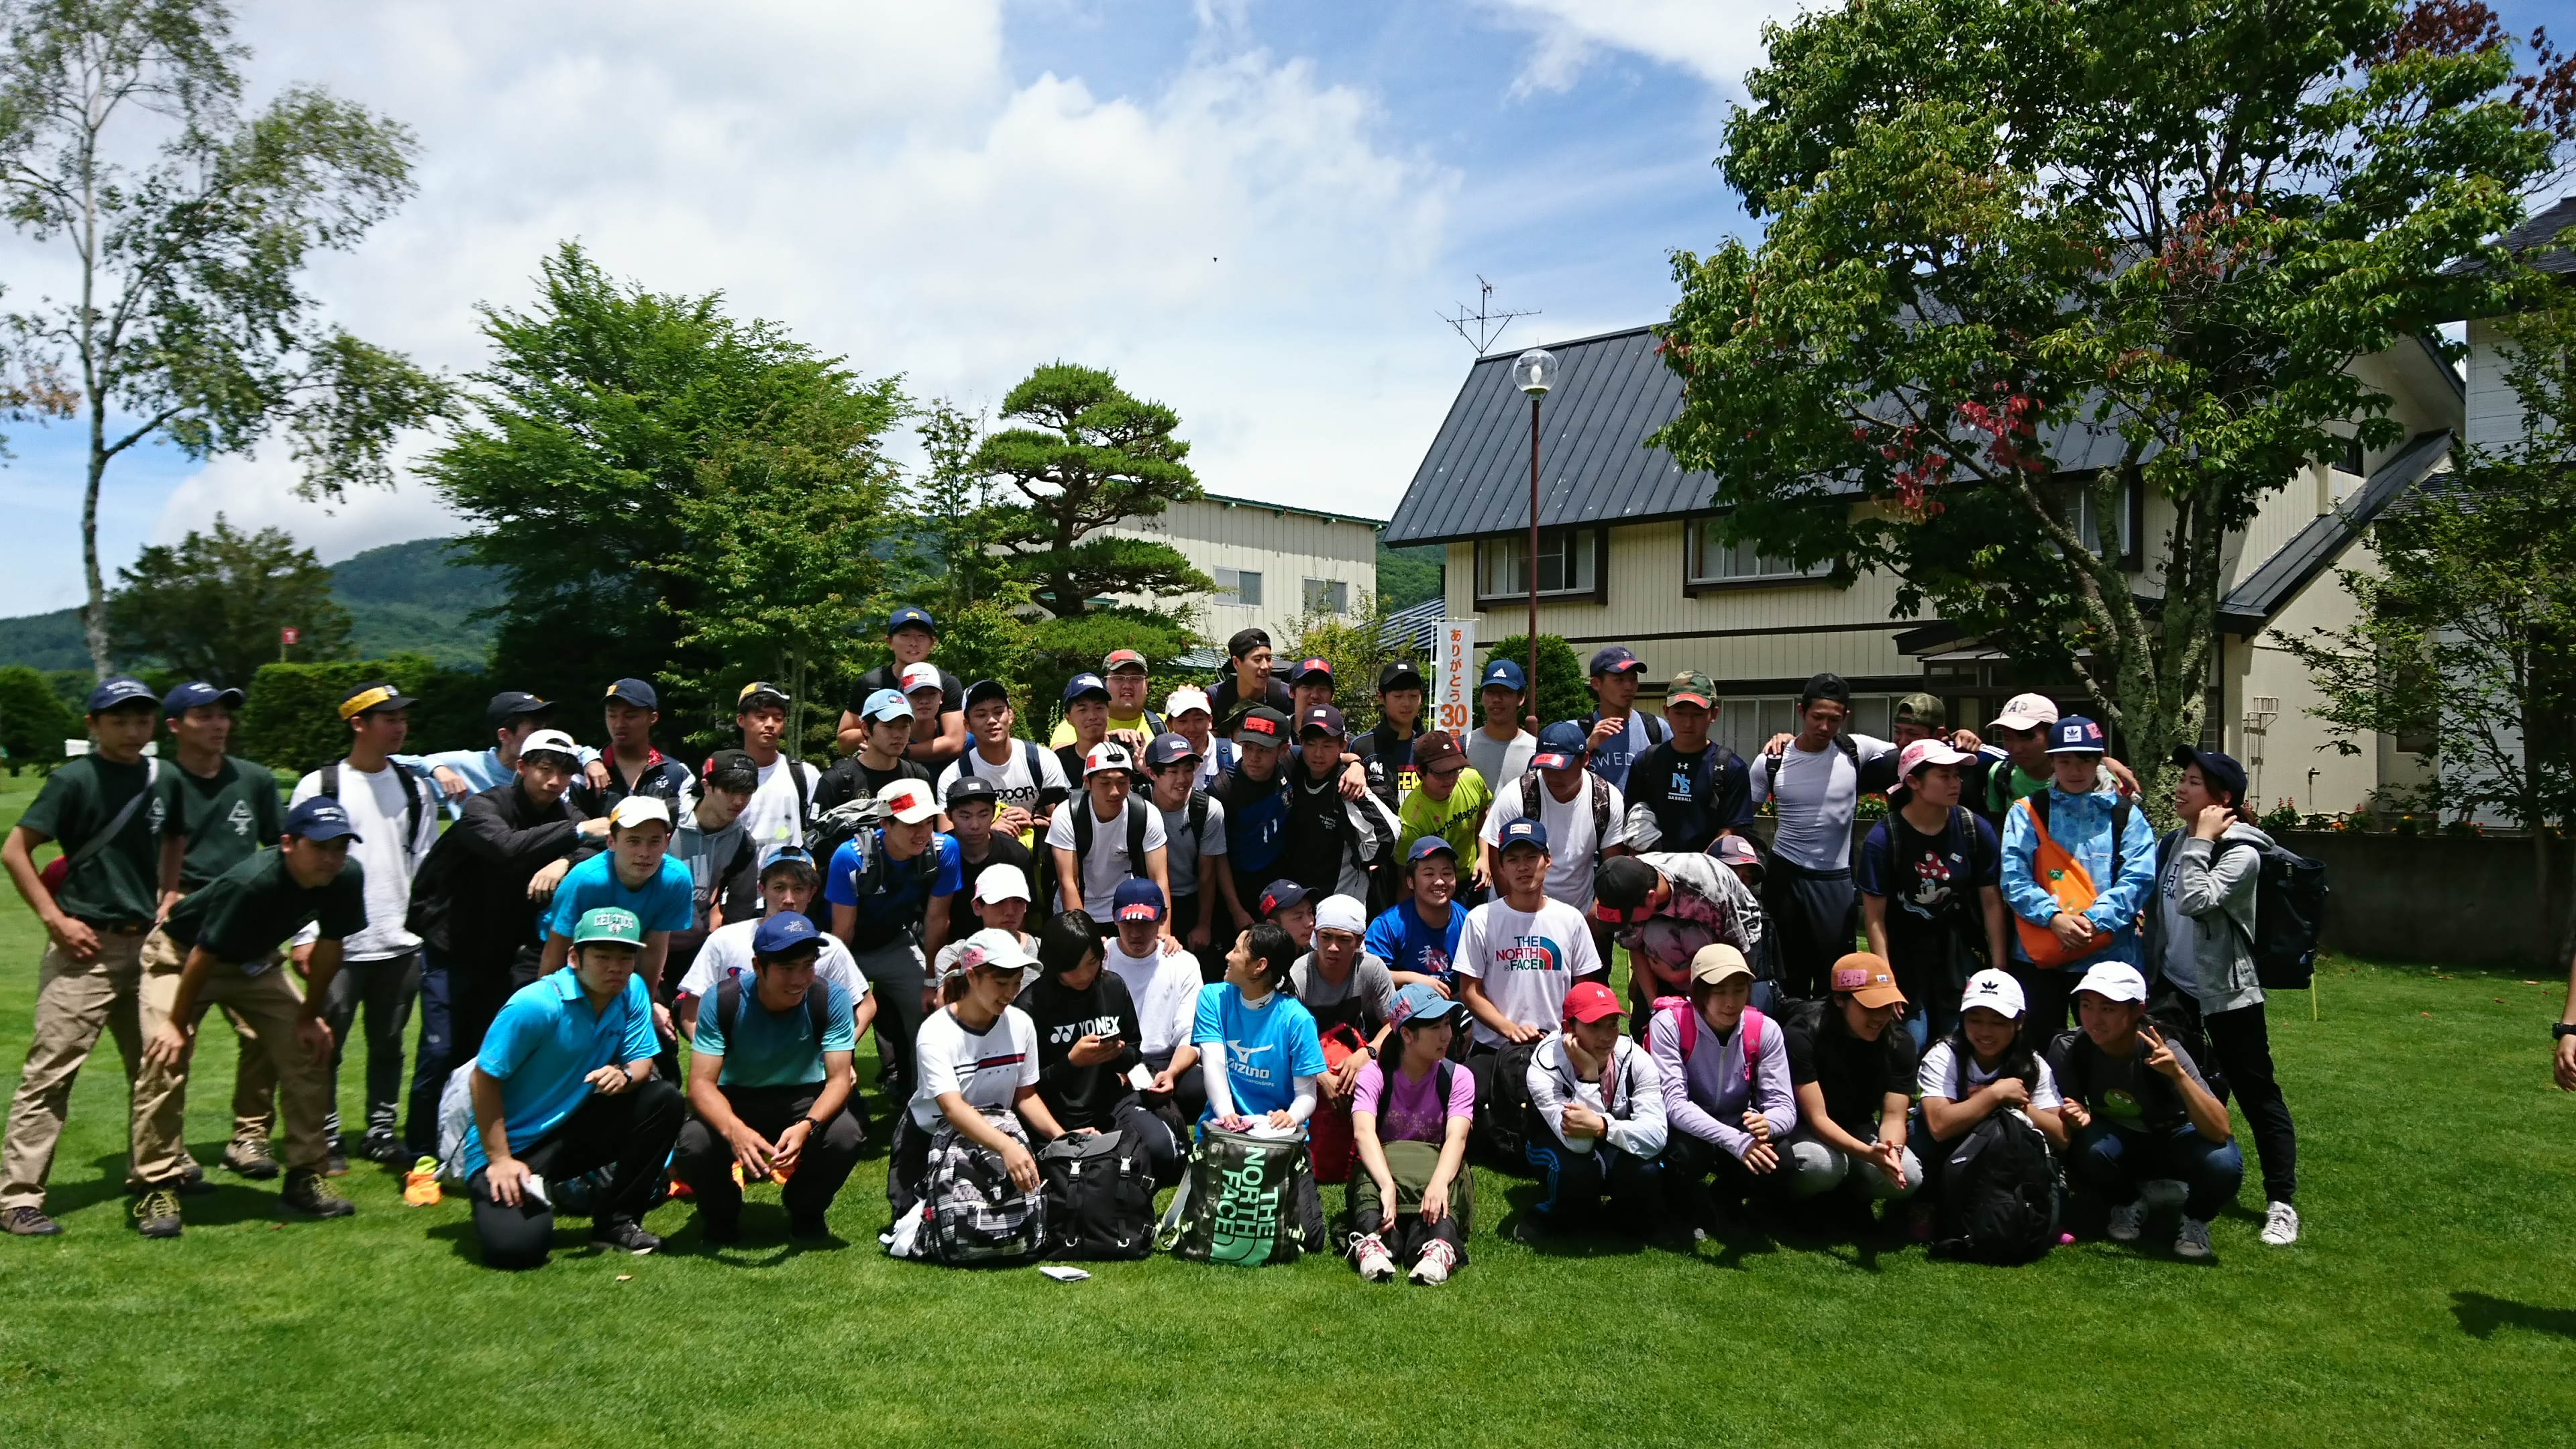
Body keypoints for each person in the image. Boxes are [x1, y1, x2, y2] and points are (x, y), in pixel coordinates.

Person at [127, 797, 369, 1234]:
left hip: (254, 962)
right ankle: (156, 1184)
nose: (331, 858)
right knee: (165, 1058)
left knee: (308, 1050)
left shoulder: (345, 877)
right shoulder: (253, 882)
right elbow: (203, 955)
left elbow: (331, 947)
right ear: (288, 844)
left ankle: (305, 1174)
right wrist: (176, 1025)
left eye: (340, 847)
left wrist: (308, 1018)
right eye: (319, 847)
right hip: (181, 957)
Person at [0, 677, 166, 1236]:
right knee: (51, 1074)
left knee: (156, 1069)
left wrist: (169, 899)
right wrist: (55, 919)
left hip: (148, 944)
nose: (132, 731)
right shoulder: (73, 780)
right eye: (119, 720)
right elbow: (15, 851)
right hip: (85, 947)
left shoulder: (161, 779)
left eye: (141, 720)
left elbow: (176, 843)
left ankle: (156, 1178)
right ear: (92, 725)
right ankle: (18, 1198)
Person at [402, 729, 606, 1158]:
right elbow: (506, 847)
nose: (554, 781)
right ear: (522, 767)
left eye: (563, 773)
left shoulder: (564, 811)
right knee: (440, 1051)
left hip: (502, 953)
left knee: (485, 1055)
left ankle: (463, 1148)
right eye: (544, 769)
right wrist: (576, 834)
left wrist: (564, 860)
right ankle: (419, 1152)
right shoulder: (484, 805)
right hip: (450, 947)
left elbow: (599, 849)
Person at [463, 906, 684, 1267]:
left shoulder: (632, 990)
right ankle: (513, 1193)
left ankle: (617, 1224)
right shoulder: (535, 1004)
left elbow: (643, 1064)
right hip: (509, 1146)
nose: (616, 967)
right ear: (574, 958)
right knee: (517, 1249)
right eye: (602, 956)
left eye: (625, 957)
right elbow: (483, 1078)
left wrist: (626, 1076)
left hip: (571, 1131)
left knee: (664, 1100)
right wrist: (500, 1160)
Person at [2144, 743, 2299, 1246]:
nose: (2180, 788)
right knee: (2168, 1086)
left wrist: (2202, 840)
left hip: (2228, 994)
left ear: (2222, 798)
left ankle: (2281, 1203)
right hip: (2174, 988)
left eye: (2193, 782)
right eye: (2182, 779)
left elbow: (2195, 900)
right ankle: (2170, 1178)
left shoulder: (2242, 853)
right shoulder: (2173, 843)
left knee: (2256, 1093)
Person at [287, 680, 441, 1168]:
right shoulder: (320, 785)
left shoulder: (415, 788)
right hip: (337, 944)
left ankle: (381, 1132)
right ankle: (326, 1134)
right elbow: (296, 869)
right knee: (325, 1045)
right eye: (390, 719)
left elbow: (426, 866)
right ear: (358, 724)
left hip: (399, 942)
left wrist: (423, 932)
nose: (401, 728)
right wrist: (305, 936)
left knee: (390, 1044)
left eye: (403, 719)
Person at [147, 682, 282, 1185]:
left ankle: (250, 1136)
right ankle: (170, 1151)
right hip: (180, 924)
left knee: (266, 1033)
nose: (219, 724)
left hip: (246, 923)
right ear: (175, 726)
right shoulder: (157, 781)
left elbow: (284, 847)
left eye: (223, 714)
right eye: (204, 715)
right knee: (172, 1040)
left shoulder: (255, 779)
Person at [674, 912, 865, 1242]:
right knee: (694, 1143)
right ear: (758, 966)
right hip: (734, 1096)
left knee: (847, 1135)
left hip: (803, 1095)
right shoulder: (721, 999)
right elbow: (700, 1085)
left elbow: (839, 1080)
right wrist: (734, 1130)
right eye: (786, 968)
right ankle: (721, 1214)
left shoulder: (831, 997)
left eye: (808, 966)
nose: (799, 979)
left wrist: (807, 1126)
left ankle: (806, 1208)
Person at [2049, 962, 2241, 1259]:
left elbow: (2220, 1131)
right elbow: (2064, 1116)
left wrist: (2177, 1074)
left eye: (2108, 1009)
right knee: (2086, 1146)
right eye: (2086, 1005)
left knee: (2223, 1162)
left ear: (2137, 1011)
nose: (2094, 1019)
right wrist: (2077, 1116)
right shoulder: (2070, 1047)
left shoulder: (2166, 1048)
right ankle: (2128, 1201)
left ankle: (2195, 1218)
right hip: (2119, 1141)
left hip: (2174, 1139)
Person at [1998, 715, 2157, 1040]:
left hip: (2109, 955)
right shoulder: (2027, 811)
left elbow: (2139, 878)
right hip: (2041, 956)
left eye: (2084, 760)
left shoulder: (2126, 814)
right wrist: (2053, 918)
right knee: (2039, 1048)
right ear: (2052, 761)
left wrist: (2093, 922)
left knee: (2111, 1047)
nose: (2074, 770)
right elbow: (2014, 877)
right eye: (2064, 760)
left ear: (2099, 760)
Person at [891, 928, 1061, 1219]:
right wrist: (1006, 1146)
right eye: (1001, 983)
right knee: (922, 1229)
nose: (1011, 993)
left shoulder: (1022, 1025)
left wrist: (1061, 1136)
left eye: (1017, 982)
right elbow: (953, 1109)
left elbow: (1025, 1096)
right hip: (928, 1144)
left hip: (993, 1140)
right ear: (972, 977)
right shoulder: (935, 1031)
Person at [1746, 672, 1896, 1000]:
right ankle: (1788, 1031)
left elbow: (1917, 752)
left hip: (1834, 881)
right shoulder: (1772, 760)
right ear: (1801, 711)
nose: (1825, 727)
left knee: (1837, 978)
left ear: (1846, 717)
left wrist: (1961, 739)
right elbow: (1742, 818)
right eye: (1817, 717)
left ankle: (1830, 1032)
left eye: (1834, 719)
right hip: (1785, 877)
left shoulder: (1856, 749)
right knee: (1787, 978)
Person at [1858, 738, 2008, 1051]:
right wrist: (1886, 981)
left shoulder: (1974, 829)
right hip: (1904, 954)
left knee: (1961, 1042)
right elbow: (1874, 919)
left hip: (1956, 950)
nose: (1956, 783)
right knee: (1911, 1041)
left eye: (1957, 775)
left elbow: (1992, 902)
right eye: (1945, 776)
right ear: (1914, 782)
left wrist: (1999, 968)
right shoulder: (1884, 839)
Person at [1015, 909, 1183, 1185]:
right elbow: (1027, 1089)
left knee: (1163, 1153)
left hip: (1111, 1105)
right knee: (1084, 1174)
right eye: (1073, 967)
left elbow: (1135, 1052)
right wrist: (1072, 1062)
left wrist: (1116, 1055)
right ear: (1054, 965)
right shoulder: (1029, 1007)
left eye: (1092, 962)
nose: (1085, 974)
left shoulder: (1112, 987)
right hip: (1058, 1114)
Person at [824, 777, 961, 1114]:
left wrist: (931, 980)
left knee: (930, 1009)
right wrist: (837, 992)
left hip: (893, 942)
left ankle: (927, 1101)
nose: (922, 832)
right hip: (845, 950)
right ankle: (838, 1099)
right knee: (837, 1017)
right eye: (912, 824)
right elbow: (843, 932)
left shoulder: (945, 850)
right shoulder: (850, 857)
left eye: (928, 821)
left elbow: (937, 920)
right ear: (885, 824)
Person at [1455, 819, 1607, 1108]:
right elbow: (1470, 991)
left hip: (1556, 1047)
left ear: (1548, 860)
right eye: (1512, 859)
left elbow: (1585, 991)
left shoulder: (1571, 919)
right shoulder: (1481, 919)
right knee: (1464, 1105)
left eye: (1531, 857)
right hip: (1494, 1047)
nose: (1522, 867)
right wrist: (1509, 1028)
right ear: (1501, 866)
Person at [1653, 945, 1796, 1230]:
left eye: (1739, 990)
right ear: (1698, 993)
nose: (1731, 1002)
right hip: (1686, 1128)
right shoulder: (1670, 1024)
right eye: (1719, 992)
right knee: (1685, 1155)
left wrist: (1769, 1123)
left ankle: (1726, 1196)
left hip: (1739, 1121)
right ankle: (1682, 1203)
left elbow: (1785, 1106)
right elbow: (1674, 1104)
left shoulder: (1765, 1030)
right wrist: (1735, 1141)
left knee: (1781, 1160)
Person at [1521, 981, 1670, 1243]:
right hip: (1553, 1142)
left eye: (1613, 1024)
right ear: (1568, 1028)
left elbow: (1657, 1136)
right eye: (1594, 1026)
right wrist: (1589, 1074)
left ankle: (1616, 1215)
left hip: (1605, 1134)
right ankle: (1548, 1215)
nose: (1607, 1036)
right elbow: (1579, 1145)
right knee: (1579, 1171)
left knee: (1646, 1170)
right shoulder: (1544, 1068)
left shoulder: (1637, 1059)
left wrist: (1602, 1126)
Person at [674, 853, 875, 1046]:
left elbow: (866, 1005)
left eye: (799, 889)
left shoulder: (831, 948)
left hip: (804, 1058)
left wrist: (834, 1052)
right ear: (762, 890)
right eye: (779, 888)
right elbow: (691, 1010)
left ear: (812, 894)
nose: (789, 899)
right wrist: (716, 1054)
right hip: (739, 1056)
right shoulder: (724, 940)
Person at [1348, 983, 1477, 1283]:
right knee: (1368, 1185)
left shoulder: (1458, 1077)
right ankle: (1371, 1244)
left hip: (1433, 1170)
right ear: (1406, 1034)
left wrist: (1439, 1183)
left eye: (1447, 1024)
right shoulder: (1375, 1074)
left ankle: (1440, 1248)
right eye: (1435, 1027)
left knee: (1451, 1185)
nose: (1446, 1036)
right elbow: (1364, 1133)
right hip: (1387, 1169)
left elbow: (1457, 1138)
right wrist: (1386, 1185)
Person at [1915, 969, 2070, 1214]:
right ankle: (1927, 1201)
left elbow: (2061, 1136)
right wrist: (1994, 1094)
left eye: (1998, 1022)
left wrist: (2020, 1105)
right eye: (1975, 1020)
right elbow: (1939, 1126)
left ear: (2019, 1023)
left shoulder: (2033, 1064)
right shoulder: (1944, 1055)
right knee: (1919, 1135)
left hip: (2004, 1156)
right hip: (1949, 1146)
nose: (1985, 1032)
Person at [1780, 954, 1921, 1218]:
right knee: (1821, 1165)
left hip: (1859, 1126)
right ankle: (1789, 1206)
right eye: (1870, 1007)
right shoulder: (1803, 1034)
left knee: (1910, 1175)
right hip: (1804, 1126)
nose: (1881, 1017)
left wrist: (1892, 1151)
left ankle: (1848, 1202)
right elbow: (1818, 1119)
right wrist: (1868, 1154)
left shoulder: (1900, 1043)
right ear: (1839, 1000)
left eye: (1887, 1005)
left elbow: (1893, 1117)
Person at [1193, 922, 1328, 1169]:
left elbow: (1307, 1096)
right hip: (1222, 1134)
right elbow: (1214, 1066)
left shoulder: (1297, 1020)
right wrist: (1227, 1119)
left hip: (1278, 1141)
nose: (1228, 956)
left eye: (1236, 951)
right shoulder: (1213, 997)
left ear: (1260, 966)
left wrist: (1290, 1117)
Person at [1289, 893, 1398, 1184]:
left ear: (1360, 940)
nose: (1333, 947)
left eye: (1344, 940)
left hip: (1353, 1052)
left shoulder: (1371, 968)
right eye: (1326, 937)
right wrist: (1320, 1075)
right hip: (1308, 1061)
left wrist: (1370, 1051)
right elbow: (1287, 1039)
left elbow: (1397, 1023)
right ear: (1315, 935)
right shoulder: (1299, 975)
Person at [1590, 851, 1766, 1024]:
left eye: (1628, 918)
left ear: (1651, 897)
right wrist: (1654, 1007)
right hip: (1673, 935)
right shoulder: (1626, 885)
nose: (1627, 924)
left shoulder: (1705, 894)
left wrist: (1677, 976)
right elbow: (1635, 947)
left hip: (1732, 933)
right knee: (1643, 1023)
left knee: (1714, 1019)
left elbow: (1731, 956)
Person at [1477, 720, 1629, 916]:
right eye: (1546, 767)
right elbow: (1497, 859)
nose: (1552, 776)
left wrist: (1592, 920)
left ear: (1585, 759)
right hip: (1517, 907)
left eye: (1562, 768)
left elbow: (1612, 868)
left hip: (1579, 912)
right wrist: (1519, 916)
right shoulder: (1518, 795)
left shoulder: (1606, 799)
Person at [1093, 885, 1207, 1124]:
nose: (1136, 933)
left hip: (1168, 1059)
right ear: (1114, 918)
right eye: (1128, 924)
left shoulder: (1183, 963)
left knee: (1200, 1088)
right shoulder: (1100, 958)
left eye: (1144, 923)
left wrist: (1172, 1073)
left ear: (1162, 919)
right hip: (1118, 1060)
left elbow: (1190, 1033)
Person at [1046, 741, 1173, 944]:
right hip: (1076, 910)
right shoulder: (1068, 815)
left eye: (1122, 782)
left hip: (1128, 910)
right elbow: (1068, 881)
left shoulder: (1145, 814)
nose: (1115, 792)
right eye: (1105, 783)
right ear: (1088, 782)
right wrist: (1087, 940)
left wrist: (1163, 933)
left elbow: (1160, 879)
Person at [1278, 706, 1403, 910]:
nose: (1318, 753)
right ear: (1301, 743)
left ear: (1342, 745)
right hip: (1302, 898)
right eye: (1311, 744)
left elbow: (1390, 831)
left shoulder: (1347, 784)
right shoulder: (1298, 768)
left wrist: (1362, 861)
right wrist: (1356, 762)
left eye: (1327, 745)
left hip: (1338, 903)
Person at [1621, 669, 1751, 854]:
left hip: (1707, 867)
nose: (1688, 723)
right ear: (1666, 711)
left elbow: (1730, 832)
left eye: (1697, 714)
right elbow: (1633, 820)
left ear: (1714, 714)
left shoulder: (1731, 768)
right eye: (1679, 713)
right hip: (1653, 866)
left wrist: (1694, 866)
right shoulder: (1646, 762)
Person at [936, 679, 1069, 853]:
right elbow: (946, 842)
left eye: (998, 712)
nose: (992, 720)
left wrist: (1033, 821)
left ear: (1011, 716)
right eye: (981, 715)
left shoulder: (1042, 760)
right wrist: (987, 832)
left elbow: (1068, 825)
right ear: (967, 725)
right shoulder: (954, 775)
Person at [394, 690, 562, 818]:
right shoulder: (464, 765)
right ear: (504, 736)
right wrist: (435, 767)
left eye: (545, 729)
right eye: (534, 730)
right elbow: (388, 760)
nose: (544, 737)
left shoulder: (557, 772)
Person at [1142, 732, 1240, 949]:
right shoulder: (1138, 808)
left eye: (1188, 770)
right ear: (1152, 773)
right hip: (1146, 897)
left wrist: (1203, 925)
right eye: (1173, 771)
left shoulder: (1207, 809)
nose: (1182, 779)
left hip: (1192, 898)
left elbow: (1207, 875)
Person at [837, 606, 966, 764]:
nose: (913, 643)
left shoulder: (946, 683)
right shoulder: (872, 684)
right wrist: (880, 729)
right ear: (890, 642)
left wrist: (900, 751)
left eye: (921, 636)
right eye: (905, 635)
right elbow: (843, 743)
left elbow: (955, 743)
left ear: (932, 643)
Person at [732, 681, 823, 896]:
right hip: (736, 897)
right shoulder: (726, 778)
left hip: (791, 896)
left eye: (778, 718)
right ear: (741, 720)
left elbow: (820, 834)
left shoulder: (804, 774)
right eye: (761, 717)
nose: (770, 724)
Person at [668, 749, 758, 963]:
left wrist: (728, 953)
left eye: (747, 793)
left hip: (693, 949)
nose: (739, 801)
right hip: (641, 942)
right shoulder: (666, 818)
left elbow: (741, 907)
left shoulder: (743, 844)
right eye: (729, 790)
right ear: (707, 786)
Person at [936, 776, 1037, 947]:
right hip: (951, 946)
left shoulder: (1016, 855)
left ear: (994, 812)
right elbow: (935, 918)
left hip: (1002, 945)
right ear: (948, 815)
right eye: (965, 816)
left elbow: (1022, 917)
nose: (975, 825)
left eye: (983, 815)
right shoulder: (937, 854)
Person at [1210, 706, 1292, 912]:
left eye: (1263, 750)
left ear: (1284, 750)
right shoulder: (1222, 791)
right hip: (1238, 885)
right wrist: (1236, 910)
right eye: (1247, 747)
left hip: (1279, 878)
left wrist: (1355, 764)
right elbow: (1216, 858)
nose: (1254, 757)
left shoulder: (1291, 765)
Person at [576, 679, 694, 818]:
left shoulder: (677, 774)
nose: (619, 724)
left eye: (630, 716)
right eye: (612, 715)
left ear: (653, 718)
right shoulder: (584, 773)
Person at [1364, 839, 1469, 995]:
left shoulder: (1469, 924)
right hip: (1404, 1004)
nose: (1440, 881)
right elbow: (1368, 974)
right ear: (1410, 882)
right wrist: (1413, 979)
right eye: (1429, 874)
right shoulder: (1388, 925)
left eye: (1447, 873)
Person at [1393, 730, 1491, 892]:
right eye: (1440, 773)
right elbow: (1406, 881)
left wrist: (1484, 856)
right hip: (1436, 887)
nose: (1450, 779)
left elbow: (1483, 813)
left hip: (1476, 877)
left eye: (1454, 770)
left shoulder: (1473, 780)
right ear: (1420, 770)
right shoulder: (1411, 820)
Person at [816, 688, 933, 812]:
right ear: (866, 728)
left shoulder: (918, 777)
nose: (898, 735)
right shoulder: (838, 780)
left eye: (904, 726)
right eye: (889, 726)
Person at [1580, 646, 1666, 793]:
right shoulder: (1579, 730)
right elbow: (1556, 779)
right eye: (1619, 680)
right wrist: (1587, 746)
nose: (1629, 686)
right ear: (1596, 684)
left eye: (1633, 679)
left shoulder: (1656, 728)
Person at [1351, 660, 1430, 809]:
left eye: (1413, 695)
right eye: (1398, 696)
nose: (1407, 703)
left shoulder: (1431, 746)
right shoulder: (1362, 747)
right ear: (1381, 697)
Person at [1052, 649, 1161, 751]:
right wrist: (1108, 739)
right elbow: (1058, 754)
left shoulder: (1163, 724)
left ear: (1147, 686)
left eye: (1136, 678)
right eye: (1118, 678)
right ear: (1103, 683)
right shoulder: (1080, 722)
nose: (1127, 685)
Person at [1210, 627, 1295, 739]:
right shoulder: (1216, 696)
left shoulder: (1286, 697)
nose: (1265, 666)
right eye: (1257, 659)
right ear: (1236, 662)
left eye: (1269, 659)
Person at [1466, 658, 1538, 785]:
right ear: (1481, 697)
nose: (1497, 699)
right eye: (1490, 692)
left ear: (1521, 698)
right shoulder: (1463, 747)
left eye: (1506, 692)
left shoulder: (1536, 750)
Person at [1163, 686, 1236, 790]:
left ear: (1210, 721)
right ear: (1169, 725)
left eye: (1198, 719)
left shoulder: (1236, 756)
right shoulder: (1161, 760)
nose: (1191, 729)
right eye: (1183, 721)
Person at [1053, 674, 1115, 786]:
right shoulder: (1058, 762)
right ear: (1068, 718)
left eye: (1099, 708)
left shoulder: (1129, 751)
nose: (1092, 716)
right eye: (1082, 710)